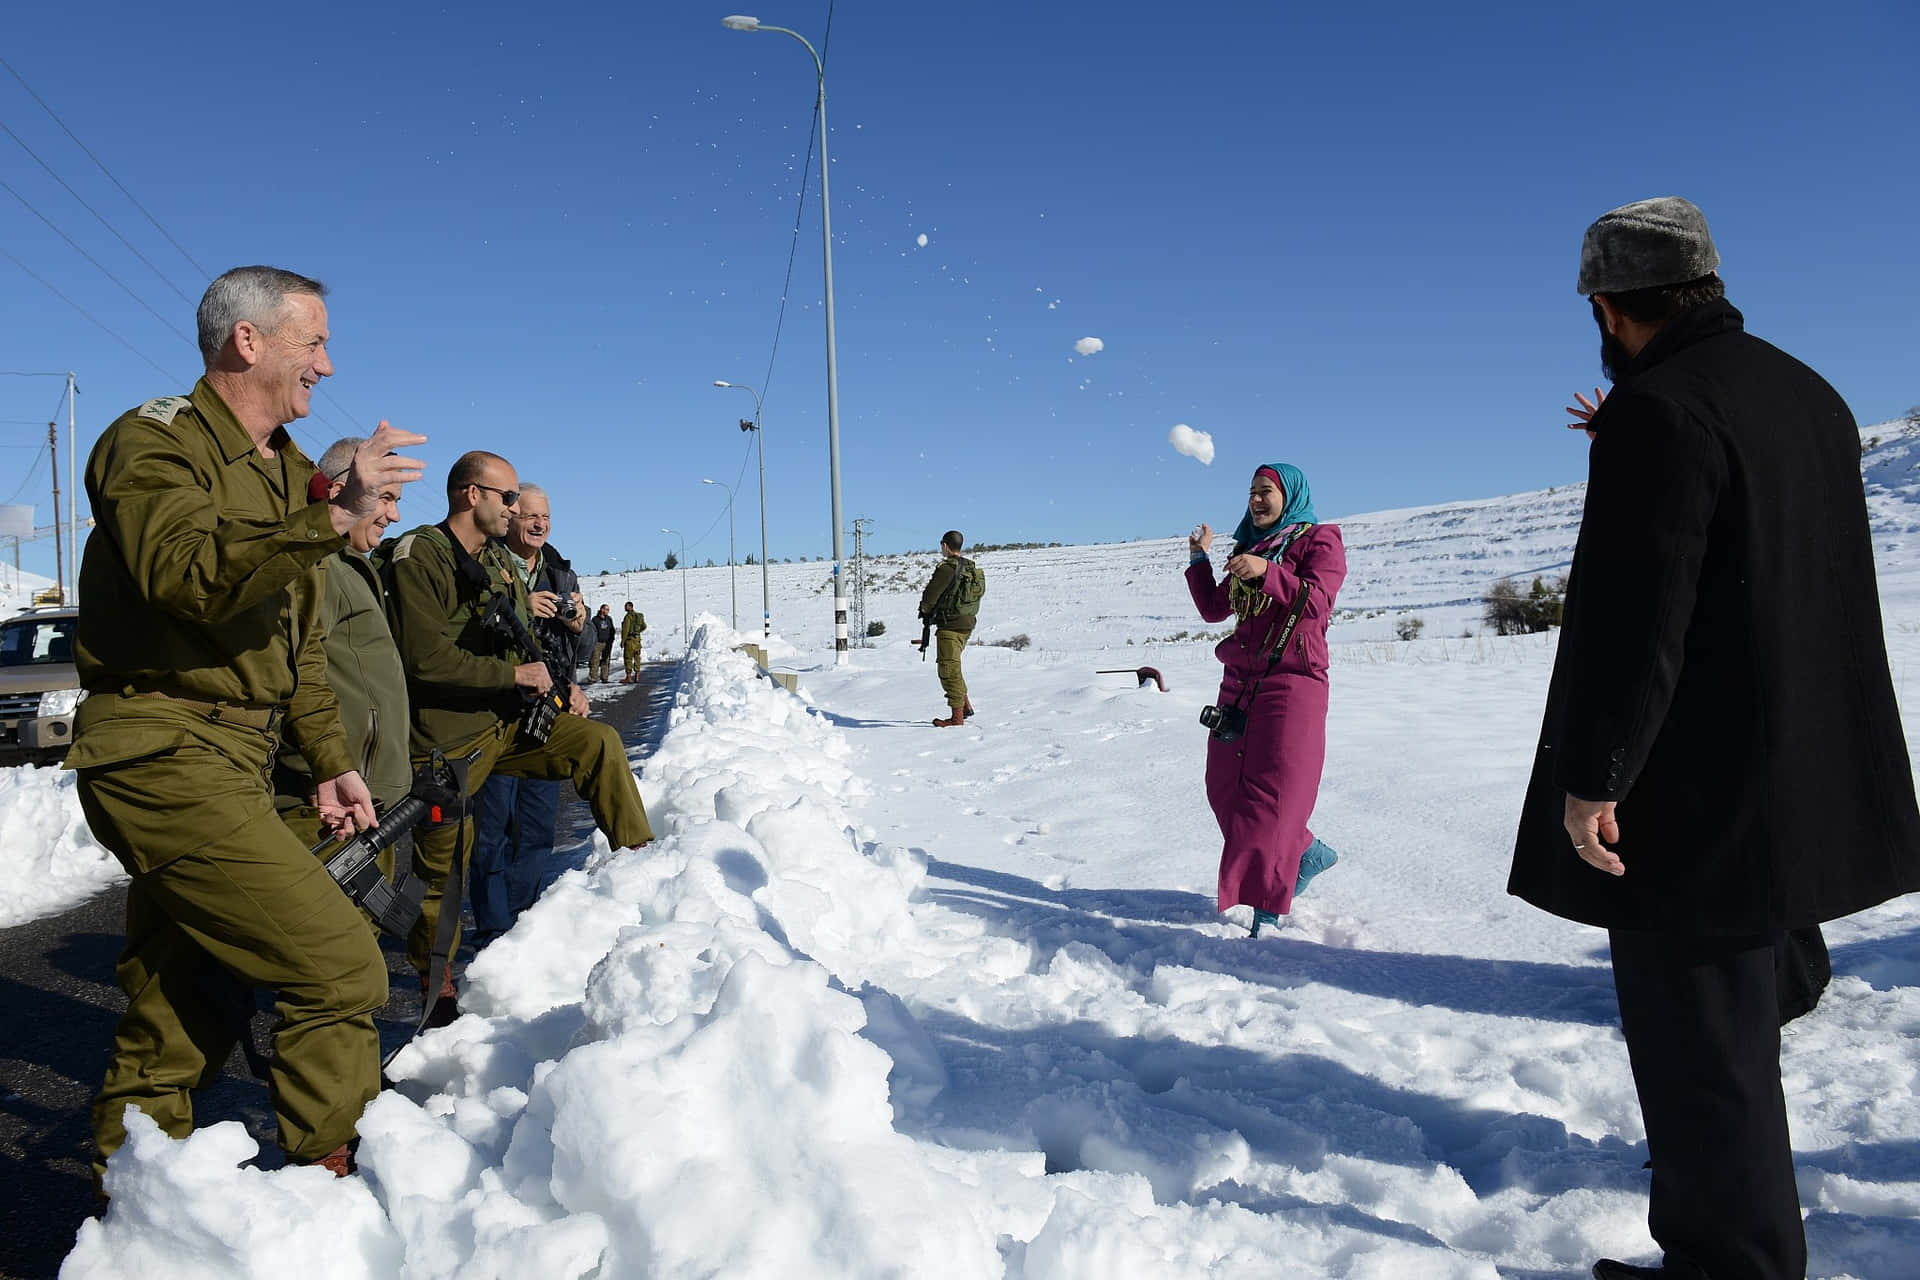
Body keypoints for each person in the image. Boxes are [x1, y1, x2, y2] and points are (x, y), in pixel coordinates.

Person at [1509, 197, 1920, 1280]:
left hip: (1699, 791)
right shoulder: (1809, 393)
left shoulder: (1662, 411)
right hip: (1805, 767)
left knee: (1700, 1046)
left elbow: (1646, 618)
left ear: (1608, 305)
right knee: (1744, 1003)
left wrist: (1598, 776)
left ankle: (1730, 1261)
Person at [66, 265, 426, 1183]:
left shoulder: (293, 476)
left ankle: (132, 1205)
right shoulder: (154, 443)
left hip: (242, 751)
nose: (328, 363)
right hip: (159, 745)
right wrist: (326, 520)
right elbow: (182, 571)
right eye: (314, 342)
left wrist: (333, 760)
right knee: (341, 966)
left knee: (186, 992)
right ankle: (327, 1184)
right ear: (248, 340)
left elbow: (296, 647)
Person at [383, 451, 652, 1010]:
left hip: (508, 728)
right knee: (443, 870)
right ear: (470, 495)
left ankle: (645, 870)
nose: (515, 509)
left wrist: (562, 685)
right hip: (448, 743)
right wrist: (509, 675)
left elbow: (527, 641)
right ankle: (438, 987)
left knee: (597, 743)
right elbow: (424, 658)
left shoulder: (500, 564)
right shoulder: (422, 556)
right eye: (506, 498)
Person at [1187, 465, 1345, 937]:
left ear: (1289, 495)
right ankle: (1307, 852)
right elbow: (1215, 610)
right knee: (1224, 788)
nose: (1257, 500)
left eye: (1266, 492)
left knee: (1271, 801)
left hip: (1292, 683)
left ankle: (1267, 914)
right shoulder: (1247, 548)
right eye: (1252, 492)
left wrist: (1270, 573)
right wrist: (1200, 560)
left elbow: (1317, 603)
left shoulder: (1319, 541)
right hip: (1239, 681)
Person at [465, 483, 585, 949]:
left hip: (548, 715)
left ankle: (522, 927)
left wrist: (578, 629)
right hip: (496, 715)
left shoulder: (559, 571)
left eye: (546, 519)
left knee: (536, 829)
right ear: (510, 517)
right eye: (530, 516)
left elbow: (581, 643)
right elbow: (463, 631)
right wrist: (519, 606)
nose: (539, 525)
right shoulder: (482, 562)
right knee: (491, 829)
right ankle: (494, 929)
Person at [273, 436, 412, 835]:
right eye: (385, 497)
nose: (395, 515)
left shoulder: (347, 564)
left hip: (360, 795)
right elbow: (296, 672)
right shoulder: (321, 565)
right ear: (340, 491)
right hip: (328, 805)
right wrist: (320, 767)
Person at [915, 530, 982, 727]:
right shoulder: (970, 568)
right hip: (966, 624)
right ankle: (965, 706)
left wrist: (926, 611)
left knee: (948, 669)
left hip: (950, 626)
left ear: (945, 546)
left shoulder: (947, 569)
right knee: (954, 667)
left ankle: (956, 717)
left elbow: (930, 596)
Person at [588, 603, 616, 684]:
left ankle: (604, 677)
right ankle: (593, 677)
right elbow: (592, 631)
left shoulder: (609, 619)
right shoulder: (595, 619)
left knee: (606, 660)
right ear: (602, 609)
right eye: (606, 609)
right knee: (595, 660)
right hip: (597, 643)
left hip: (607, 643)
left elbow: (612, 630)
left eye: (608, 610)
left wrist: (611, 639)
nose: (607, 611)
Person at [619, 601, 646, 681]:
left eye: (626, 606)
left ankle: (629, 677)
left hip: (630, 641)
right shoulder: (639, 616)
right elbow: (644, 626)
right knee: (637, 658)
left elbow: (625, 630)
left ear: (630, 607)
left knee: (628, 658)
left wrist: (623, 641)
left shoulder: (628, 617)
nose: (624, 607)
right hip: (637, 641)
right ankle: (637, 676)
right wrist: (637, 632)